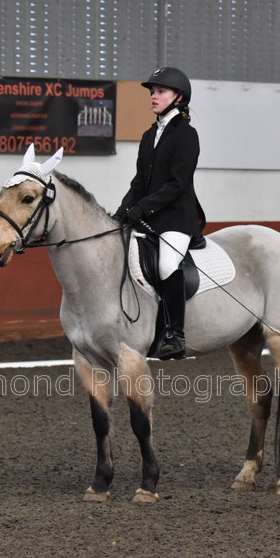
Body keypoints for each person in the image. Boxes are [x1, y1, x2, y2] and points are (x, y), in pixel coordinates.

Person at [113, 66, 206, 360]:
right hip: (150, 216)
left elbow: (178, 185)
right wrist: (120, 213)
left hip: (177, 218)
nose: (153, 96)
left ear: (178, 97)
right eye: (152, 92)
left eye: (160, 91)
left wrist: (141, 208)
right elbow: (140, 182)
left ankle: (175, 335)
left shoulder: (186, 135)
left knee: (167, 265)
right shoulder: (149, 134)